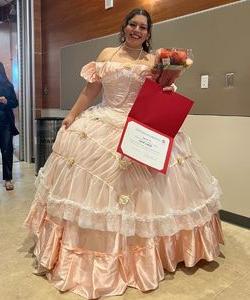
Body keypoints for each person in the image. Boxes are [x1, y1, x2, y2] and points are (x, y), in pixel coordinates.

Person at [25, 8, 223, 299]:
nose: (137, 30)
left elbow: (159, 91)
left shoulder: (155, 60)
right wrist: (71, 116)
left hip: (141, 126)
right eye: (133, 24)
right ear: (125, 26)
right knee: (98, 189)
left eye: (143, 27)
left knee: (152, 190)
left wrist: (167, 85)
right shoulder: (107, 54)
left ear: (148, 33)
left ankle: (152, 253)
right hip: (103, 122)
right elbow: (90, 91)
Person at [0, 62, 19, 191]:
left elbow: (15, 103)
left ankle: (8, 179)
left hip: (5, 122)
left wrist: (7, 101)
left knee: (7, 150)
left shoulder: (8, 85)